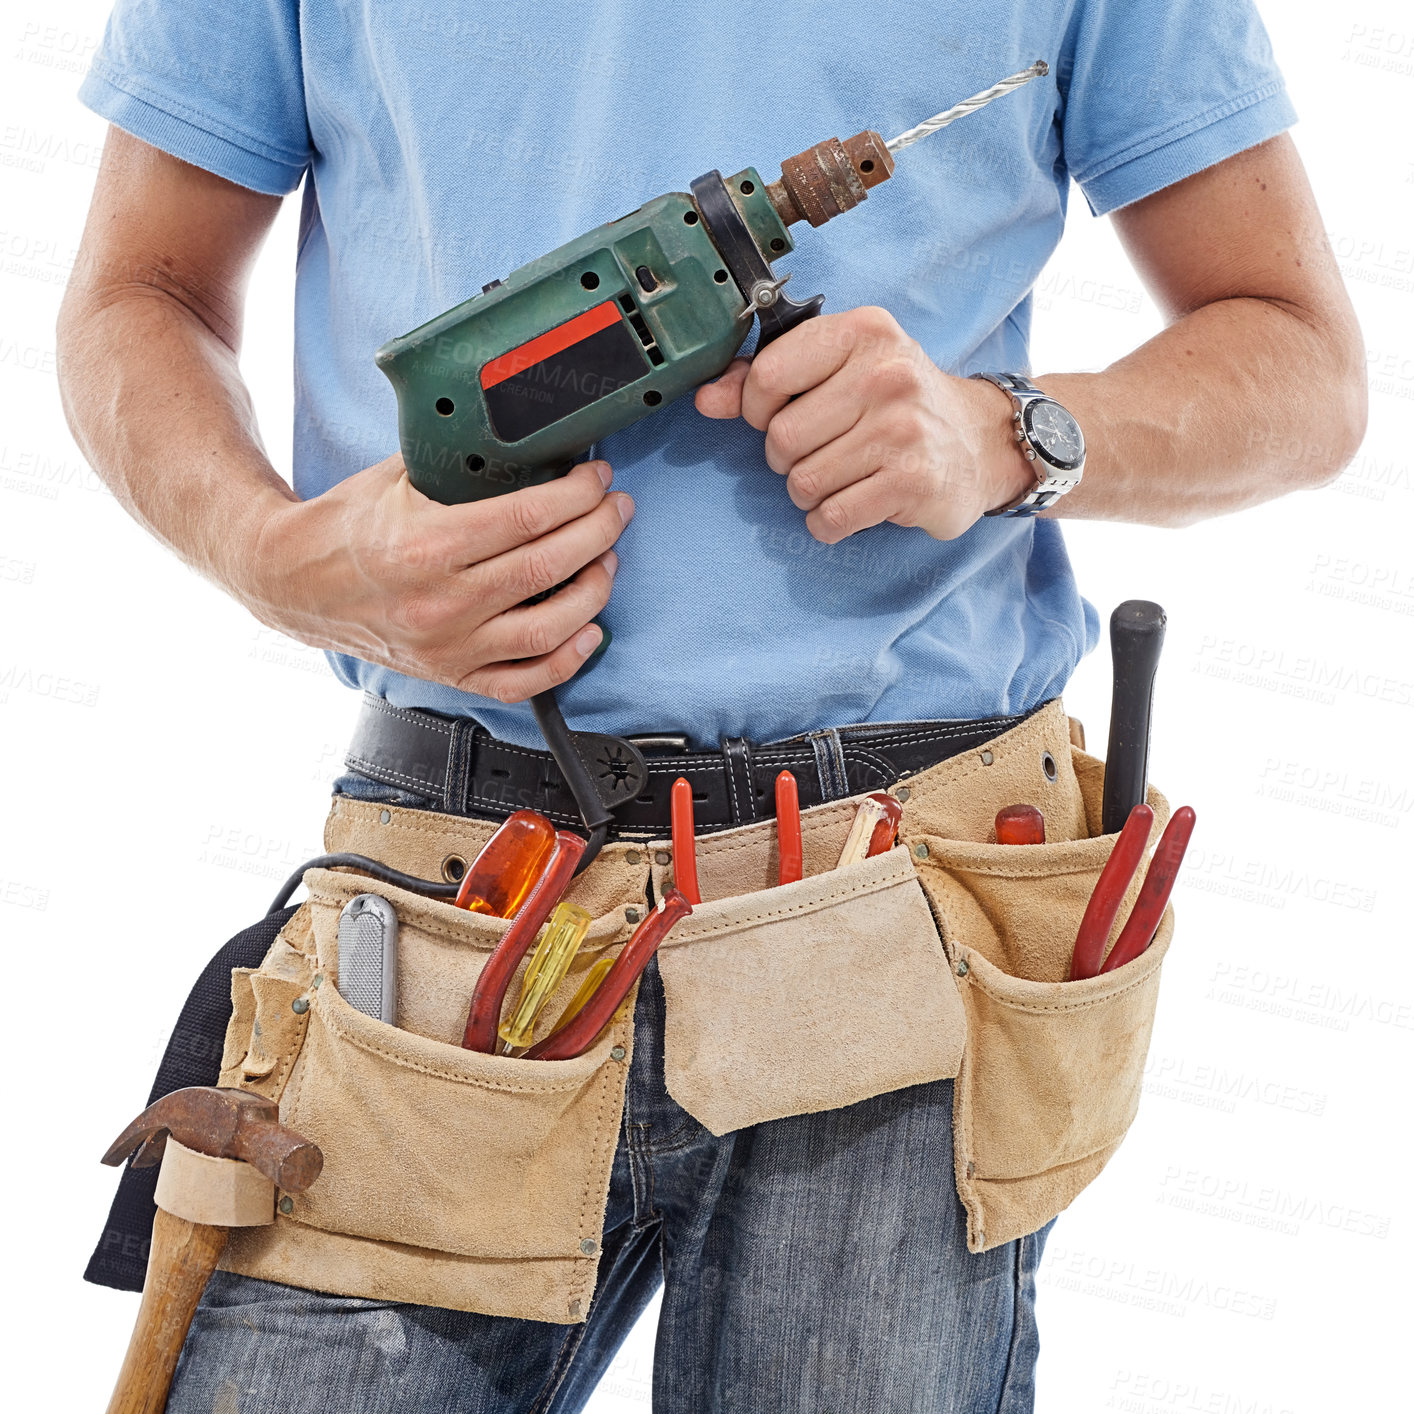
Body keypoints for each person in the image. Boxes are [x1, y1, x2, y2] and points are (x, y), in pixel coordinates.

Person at [58, 2, 1364, 1411]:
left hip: (901, 906)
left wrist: (1004, 433)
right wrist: (278, 556)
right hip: (448, 906)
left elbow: (1302, 363)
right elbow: (143, 290)